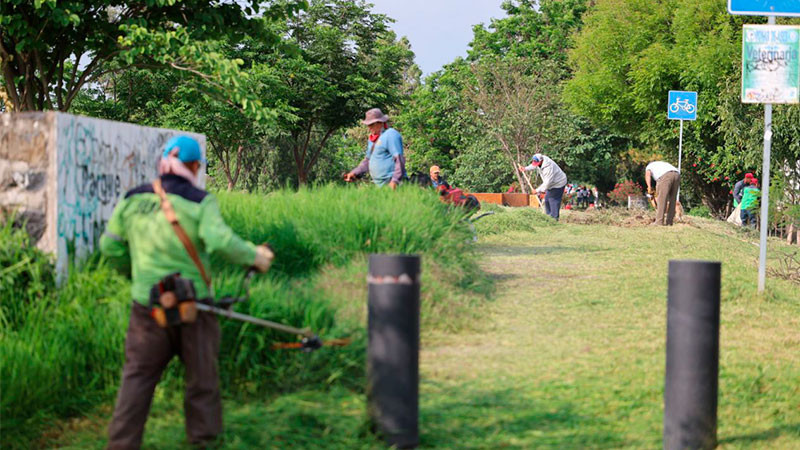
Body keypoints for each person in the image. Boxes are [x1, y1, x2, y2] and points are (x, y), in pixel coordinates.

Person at [99, 136, 275, 449]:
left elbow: (109, 245)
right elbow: (220, 241)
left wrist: (136, 274)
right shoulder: (199, 200)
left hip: (147, 306)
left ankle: (121, 444)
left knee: (137, 379)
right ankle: (204, 441)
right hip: (195, 308)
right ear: (194, 166)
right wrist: (256, 256)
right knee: (202, 379)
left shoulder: (133, 198)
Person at [344, 108, 406, 189]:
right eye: (368, 125)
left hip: (393, 184)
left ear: (380, 123)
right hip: (380, 185)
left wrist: (395, 181)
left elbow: (399, 159)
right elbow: (368, 161)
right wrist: (355, 173)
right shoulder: (372, 140)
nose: (369, 127)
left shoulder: (391, 135)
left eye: (371, 124)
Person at [519, 153, 567, 220]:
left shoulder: (548, 167)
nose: (536, 164)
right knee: (547, 200)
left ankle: (554, 219)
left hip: (558, 183)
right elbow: (533, 165)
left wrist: (537, 190)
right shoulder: (540, 159)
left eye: (537, 162)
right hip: (551, 183)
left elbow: (547, 183)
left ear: (541, 161)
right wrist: (525, 168)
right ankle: (548, 217)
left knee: (553, 200)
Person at [645, 160, 681, 226]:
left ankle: (659, 222)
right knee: (672, 200)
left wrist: (649, 187)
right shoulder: (662, 163)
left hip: (666, 176)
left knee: (661, 200)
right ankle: (669, 222)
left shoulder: (649, 166)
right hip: (677, 174)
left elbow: (648, 175)